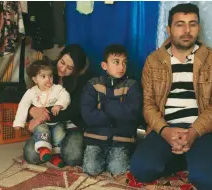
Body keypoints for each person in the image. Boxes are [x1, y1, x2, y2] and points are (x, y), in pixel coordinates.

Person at [130, 3, 212, 190]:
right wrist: (165, 131)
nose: (187, 30)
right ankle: (186, 157)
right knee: (141, 170)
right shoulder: (154, 61)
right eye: (180, 24)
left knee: (211, 182)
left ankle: (197, 159)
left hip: (202, 130)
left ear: (198, 27)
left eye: (192, 24)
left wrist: (194, 132)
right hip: (165, 128)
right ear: (169, 29)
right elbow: (147, 104)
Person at [23, 44, 93, 166]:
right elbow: (30, 96)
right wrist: (31, 110)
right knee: (31, 155)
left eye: (70, 68)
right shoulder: (47, 72)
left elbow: (72, 110)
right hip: (48, 126)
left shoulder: (83, 81)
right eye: (62, 62)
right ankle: (54, 152)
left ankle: (57, 150)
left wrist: (41, 116)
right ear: (59, 57)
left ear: (77, 70)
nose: (63, 69)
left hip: (71, 127)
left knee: (73, 157)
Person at [80, 44, 142, 177]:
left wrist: (103, 106)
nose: (121, 67)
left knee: (117, 170)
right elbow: (88, 115)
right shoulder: (93, 84)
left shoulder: (132, 85)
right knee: (91, 169)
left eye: (124, 63)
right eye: (116, 62)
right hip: (95, 137)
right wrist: (118, 113)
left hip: (122, 139)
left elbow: (132, 113)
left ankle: (115, 156)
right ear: (104, 65)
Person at [13, 60, 71, 168]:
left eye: (50, 76)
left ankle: (54, 156)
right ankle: (43, 149)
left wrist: (59, 105)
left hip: (56, 122)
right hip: (41, 122)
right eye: (43, 76)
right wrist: (19, 122)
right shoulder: (31, 92)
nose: (48, 79)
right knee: (41, 130)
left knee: (59, 134)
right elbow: (23, 106)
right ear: (35, 79)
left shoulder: (57, 89)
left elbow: (65, 96)